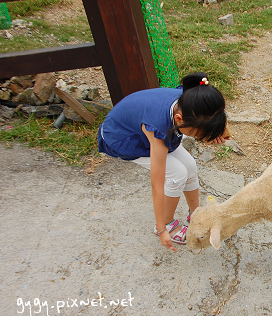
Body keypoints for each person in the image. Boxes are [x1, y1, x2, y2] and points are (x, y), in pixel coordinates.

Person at [97, 72, 228, 252]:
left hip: (149, 129)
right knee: (177, 173)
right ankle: (168, 223)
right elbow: (157, 185)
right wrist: (161, 229)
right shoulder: (158, 127)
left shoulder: (190, 99)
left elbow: (212, 115)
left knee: (190, 165)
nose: (200, 138)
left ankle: (196, 215)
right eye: (199, 135)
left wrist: (214, 131)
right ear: (179, 120)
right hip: (124, 137)